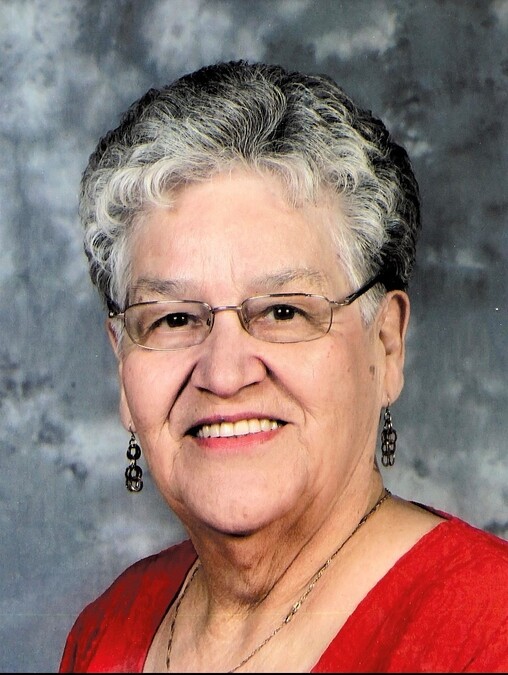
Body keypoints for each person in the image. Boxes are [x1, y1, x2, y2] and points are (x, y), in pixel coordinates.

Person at [58, 60, 508, 673]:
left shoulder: (487, 629)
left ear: (386, 345)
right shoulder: (107, 630)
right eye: (174, 319)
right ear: (122, 363)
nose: (224, 374)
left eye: (283, 312)